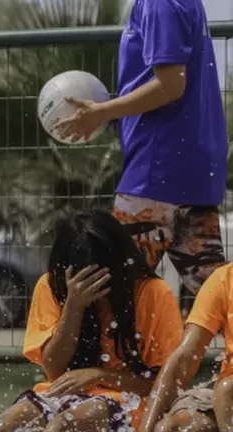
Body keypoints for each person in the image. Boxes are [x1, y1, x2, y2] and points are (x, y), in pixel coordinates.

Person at [0, 211, 182, 432]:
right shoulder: (52, 287)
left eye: (104, 277)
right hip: (66, 396)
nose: (98, 289)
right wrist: (74, 306)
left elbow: (167, 385)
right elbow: (54, 369)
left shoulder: (153, 293)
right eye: (85, 277)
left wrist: (100, 375)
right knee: (0, 431)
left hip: (132, 402)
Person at [56, 0, 227, 304]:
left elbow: (170, 85)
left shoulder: (158, 2)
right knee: (218, 303)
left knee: (106, 298)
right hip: (193, 171)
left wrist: (101, 112)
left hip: (156, 172)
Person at [134, 263, 233, 432]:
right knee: (171, 431)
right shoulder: (224, 279)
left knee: (227, 390)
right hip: (225, 404)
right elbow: (184, 358)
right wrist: (145, 429)